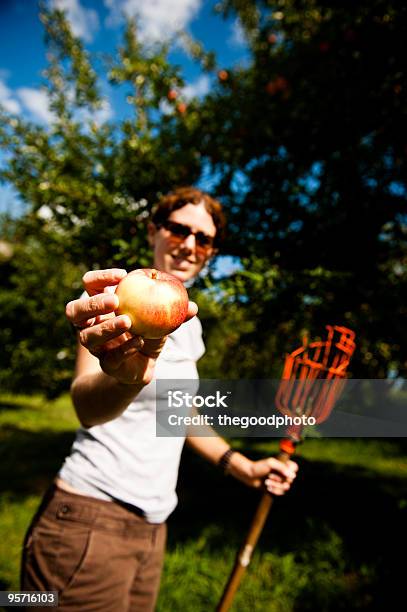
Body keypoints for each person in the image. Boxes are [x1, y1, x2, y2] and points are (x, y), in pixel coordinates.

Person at [21, 187, 298, 611]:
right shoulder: (116, 300)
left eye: (203, 239)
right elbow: (85, 408)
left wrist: (239, 465)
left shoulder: (187, 321)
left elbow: (175, 410)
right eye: (178, 229)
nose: (189, 244)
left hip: (153, 527)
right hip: (88, 517)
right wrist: (126, 381)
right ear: (153, 231)